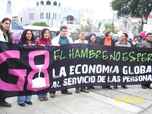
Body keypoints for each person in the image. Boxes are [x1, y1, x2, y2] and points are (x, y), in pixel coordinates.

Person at [51, 26, 73, 96]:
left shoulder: (69, 39)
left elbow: (72, 48)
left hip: (67, 60)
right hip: (57, 60)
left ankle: (64, 89)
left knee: (65, 75)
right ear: (60, 31)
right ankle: (52, 91)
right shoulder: (55, 39)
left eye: (66, 31)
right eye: (63, 31)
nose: (64, 32)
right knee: (56, 75)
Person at [17, 29, 35, 107]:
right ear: (24, 34)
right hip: (23, 66)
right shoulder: (20, 43)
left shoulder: (35, 43)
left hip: (32, 66)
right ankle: (21, 100)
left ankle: (28, 99)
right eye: (27, 34)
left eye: (30, 34)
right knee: (22, 83)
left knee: (30, 83)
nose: (29, 35)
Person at [36, 28, 52, 101]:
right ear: (42, 34)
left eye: (48, 33)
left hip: (48, 63)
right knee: (40, 79)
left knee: (46, 79)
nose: (46, 34)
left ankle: (45, 94)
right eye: (45, 33)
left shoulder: (50, 42)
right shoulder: (38, 41)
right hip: (40, 63)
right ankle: (40, 94)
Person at [0, 17, 12, 107]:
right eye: (6, 23)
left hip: (5, 63)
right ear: (2, 23)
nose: (8, 25)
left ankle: (2, 100)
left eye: (9, 24)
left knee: (4, 81)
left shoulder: (8, 35)